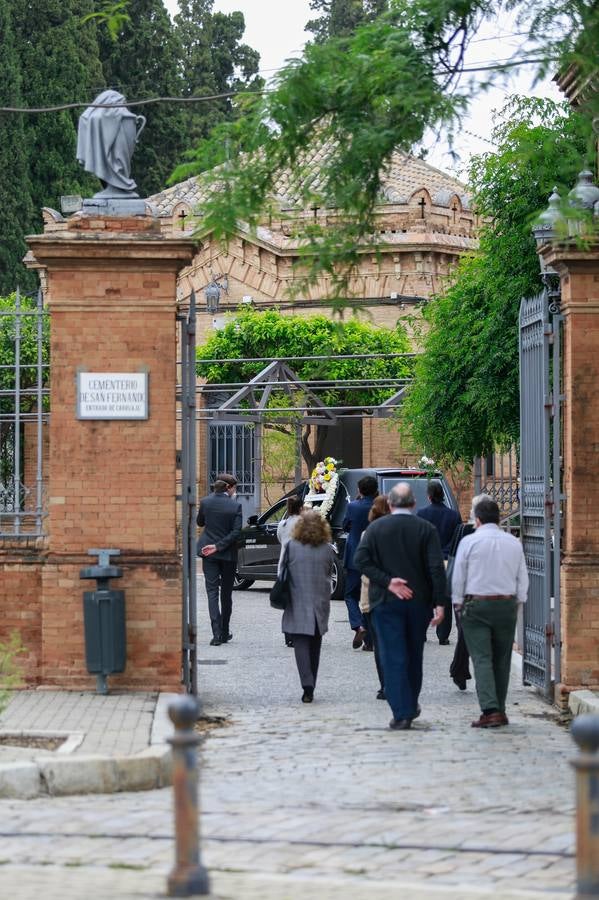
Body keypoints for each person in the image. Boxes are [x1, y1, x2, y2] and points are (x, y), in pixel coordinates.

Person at [354, 483, 446, 731]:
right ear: (414, 503)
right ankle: (410, 703)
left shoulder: (375, 529)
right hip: (418, 603)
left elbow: (360, 560)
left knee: (392, 655)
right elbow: (436, 568)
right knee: (414, 655)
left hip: (385, 602)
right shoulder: (426, 529)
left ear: (391, 504)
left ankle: (401, 711)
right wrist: (440, 603)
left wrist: (386, 581)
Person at [452, 495, 529, 728]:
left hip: (477, 604)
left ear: (477, 520)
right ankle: (500, 708)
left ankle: (491, 709)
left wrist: (457, 603)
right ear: (498, 518)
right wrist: (519, 601)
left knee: (482, 657)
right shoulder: (513, 542)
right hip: (506, 603)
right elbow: (522, 576)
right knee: (502, 659)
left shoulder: (469, 542)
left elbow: (459, 576)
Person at [282, 510, 336, 703]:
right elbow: (329, 571)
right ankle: (312, 680)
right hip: (320, 599)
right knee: (315, 644)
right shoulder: (328, 549)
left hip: (297, 599)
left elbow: (282, 571)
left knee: (301, 644)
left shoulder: (291, 546)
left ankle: (307, 684)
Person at [197, 473, 242, 647]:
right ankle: (224, 632)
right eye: (234, 488)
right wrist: (219, 546)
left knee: (212, 593)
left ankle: (216, 634)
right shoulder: (235, 506)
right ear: (229, 488)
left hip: (208, 553)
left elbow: (200, 522)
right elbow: (236, 532)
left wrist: (214, 546)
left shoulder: (205, 502)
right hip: (228, 554)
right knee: (226, 594)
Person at [417, 480, 461, 645]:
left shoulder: (421, 514)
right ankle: (443, 635)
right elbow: (457, 538)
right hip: (446, 559)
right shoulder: (453, 515)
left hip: (427, 559)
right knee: (445, 597)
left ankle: (421, 632)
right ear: (442, 495)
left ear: (429, 496)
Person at [359, 494, 390, 700]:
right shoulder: (398, 531)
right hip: (396, 592)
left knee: (380, 643)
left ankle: (384, 685)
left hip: (372, 591)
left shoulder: (367, 533)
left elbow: (361, 561)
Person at [343, 475, 379, 650]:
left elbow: (345, 526)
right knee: (370, 598)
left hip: (354, 557)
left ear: (360, 490)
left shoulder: (353, 506)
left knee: (350, 595)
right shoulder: (380, 506)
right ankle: (370, 641)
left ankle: (359, 625)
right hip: (375, 558)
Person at [276, 495, 304, 648]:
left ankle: (288, 635)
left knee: (288, 603)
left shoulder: (283, 524)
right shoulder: (305, 524)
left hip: (284, 565)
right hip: (300, 565)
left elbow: (280, 539)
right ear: (301, 508)